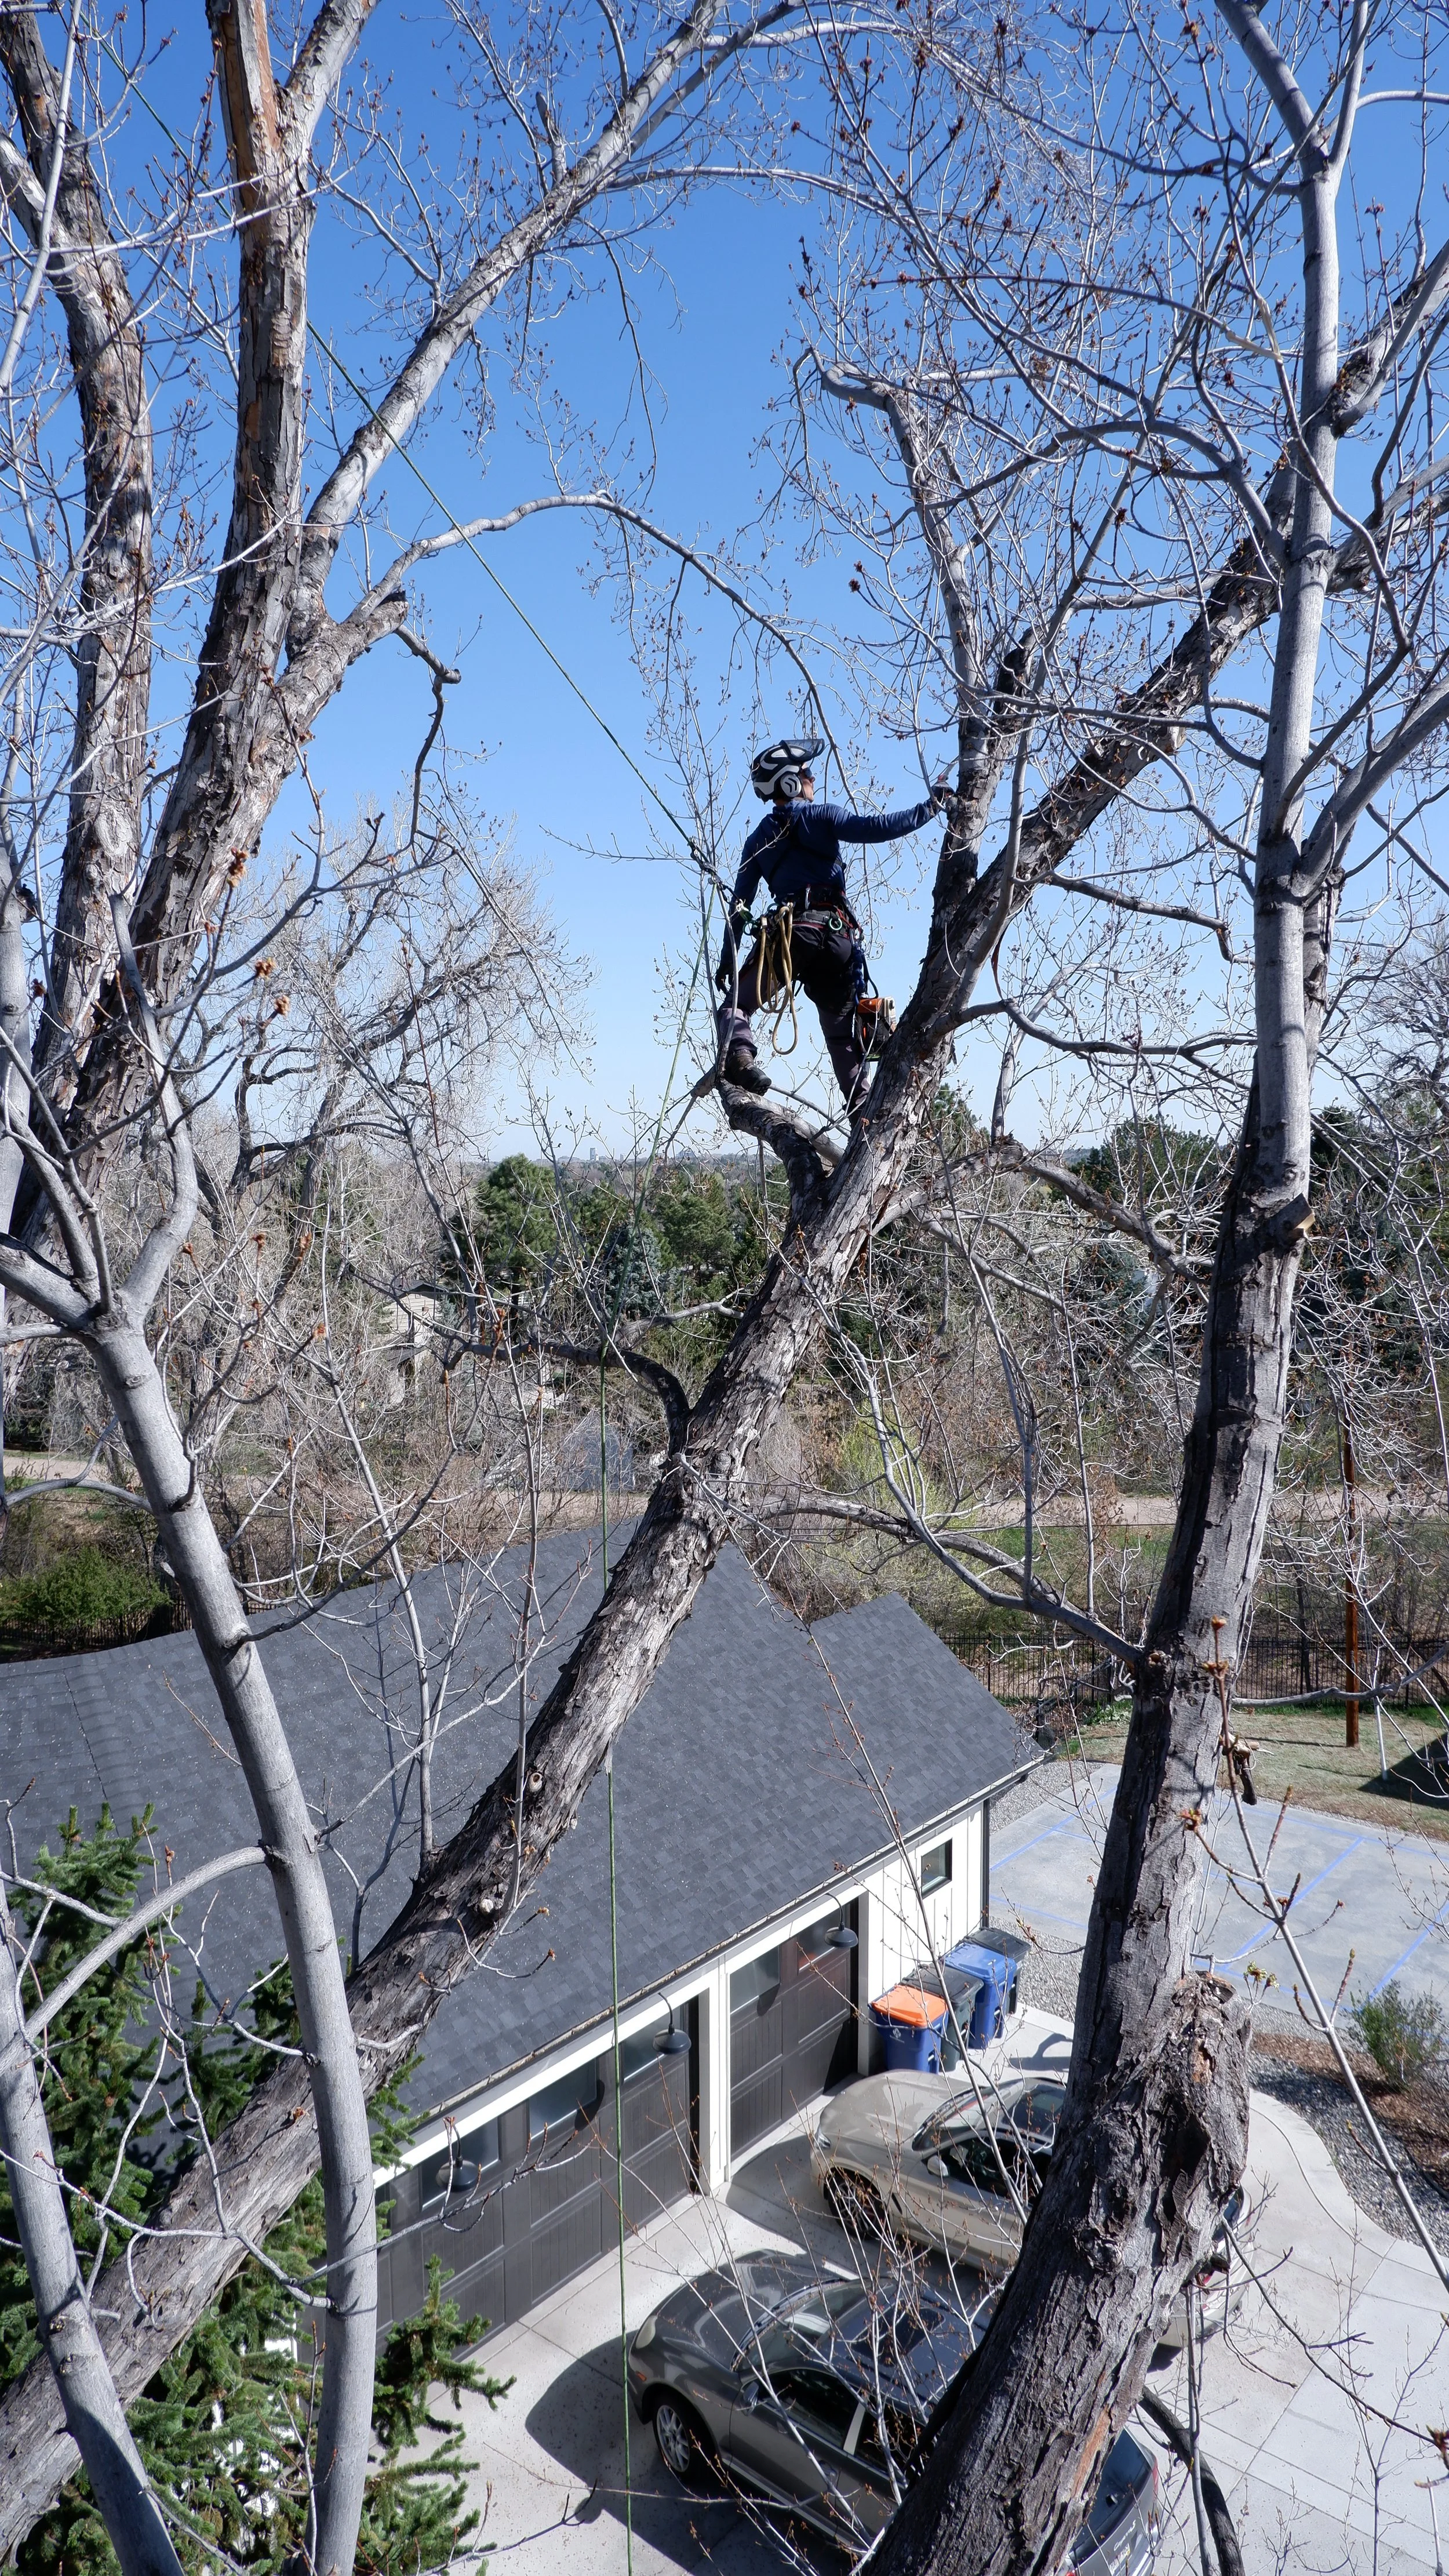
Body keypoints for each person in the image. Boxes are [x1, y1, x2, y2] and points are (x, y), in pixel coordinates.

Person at [715, 737, 948, 1113]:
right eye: (806, 773)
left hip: (794, 938)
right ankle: (863, 1114)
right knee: (841, 1035)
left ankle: (742, 1060)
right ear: (790, 782)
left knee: (736, 1006)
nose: (812, 776)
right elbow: (876, 828)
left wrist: (729, 959)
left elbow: (738, 907)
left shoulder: (757, 841)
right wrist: (932, 806)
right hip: (839, 940)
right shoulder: (820, 816)